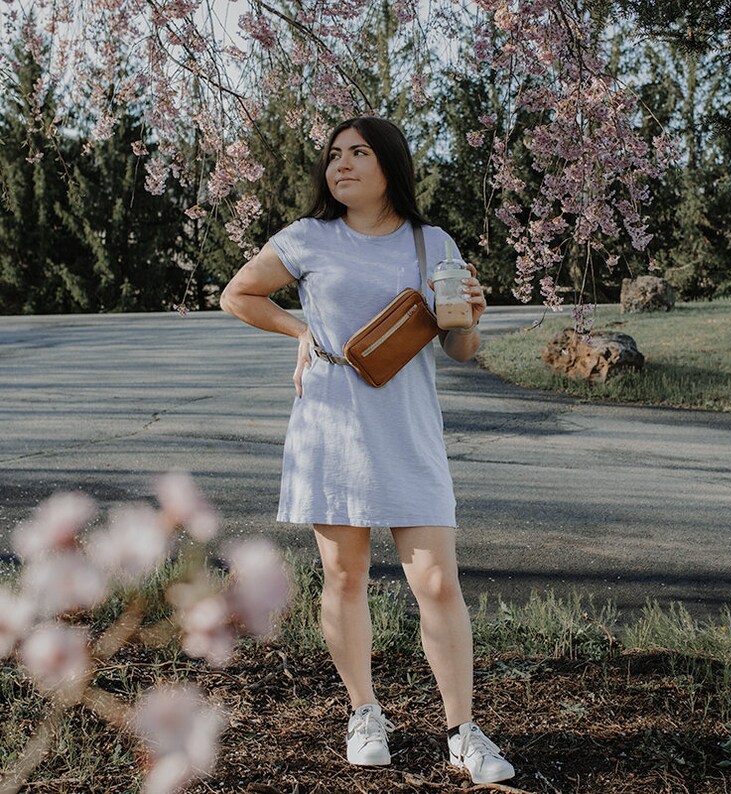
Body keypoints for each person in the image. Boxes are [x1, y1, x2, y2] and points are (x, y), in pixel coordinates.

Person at [219, 117, 515, 785]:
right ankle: (364, 712)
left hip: (408, 430)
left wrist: (473, 313)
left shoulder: (430, 241)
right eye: (334, 155)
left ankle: (463, 730)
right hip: (332, 428)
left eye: (358, 153)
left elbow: (459, 348)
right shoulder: (306, 238)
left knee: (438, 583)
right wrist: (299, 329)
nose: (341, 164)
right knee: (346, 578)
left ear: (390, 166)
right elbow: (237, 294)